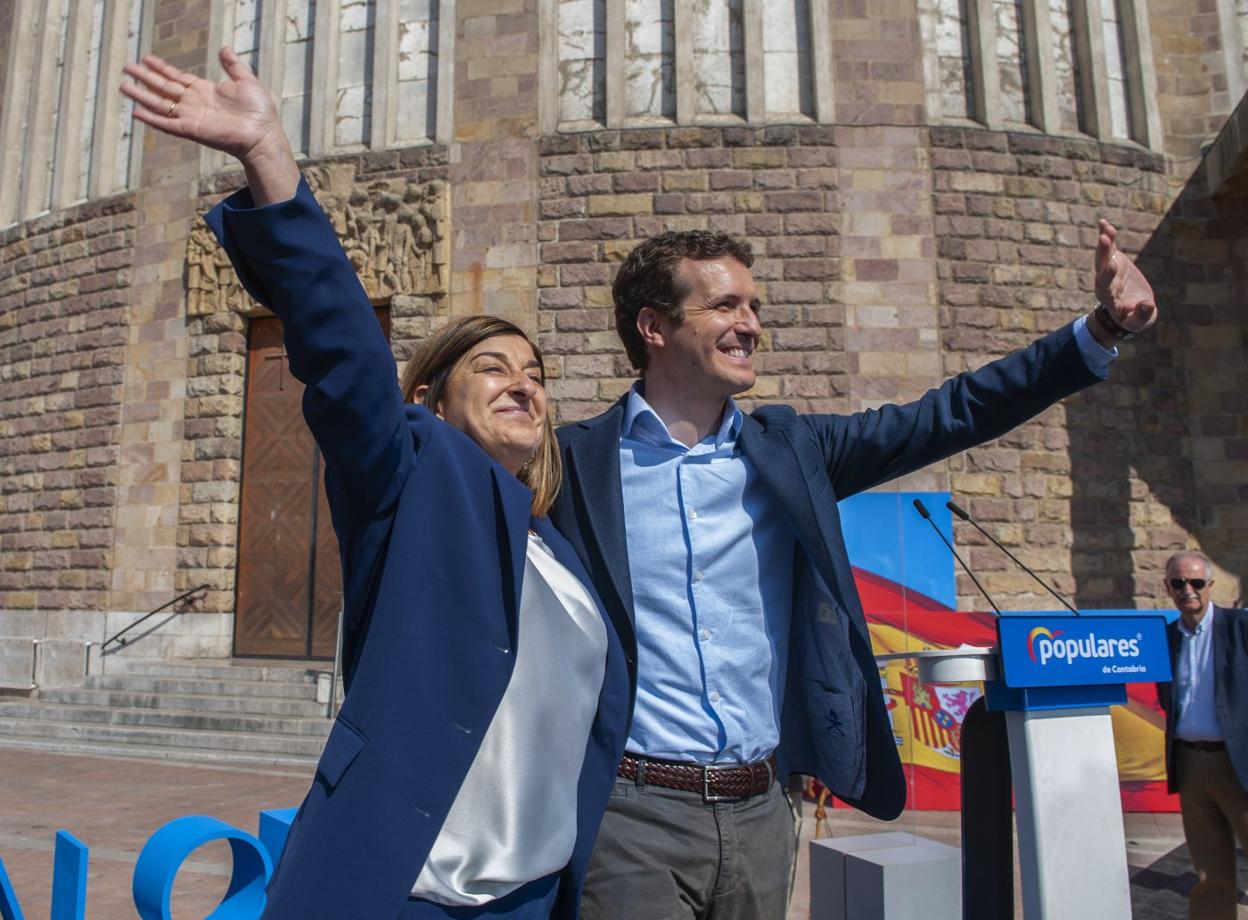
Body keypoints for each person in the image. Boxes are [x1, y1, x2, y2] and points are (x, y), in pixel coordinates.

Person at [121, 50, 630, 920]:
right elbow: (348, 361)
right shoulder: (415, 479)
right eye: (494, 367)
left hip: (537, 898)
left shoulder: (558, 545)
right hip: (413, 893)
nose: (525, 383)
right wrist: (271, 163)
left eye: (537, 373)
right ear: (431, 398)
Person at [549, 226, 1159, 918]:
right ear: (653, 326)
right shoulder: (569, 466)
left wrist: (1101, 329)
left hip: (761, 812)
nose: (750, 324)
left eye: (755, 307)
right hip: (631, 818)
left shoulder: (794, 452)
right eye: (725, 306)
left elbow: (950, 414)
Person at [1157, 551, 1248, 920]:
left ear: (1211, 586)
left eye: (1195, 582)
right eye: (1178, 583)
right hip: (1191, 763)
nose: (1187, 590)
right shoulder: (1165, 639)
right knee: (1210, 873)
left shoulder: (1239, 628)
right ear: (1168, 588)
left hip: (1238, 762)